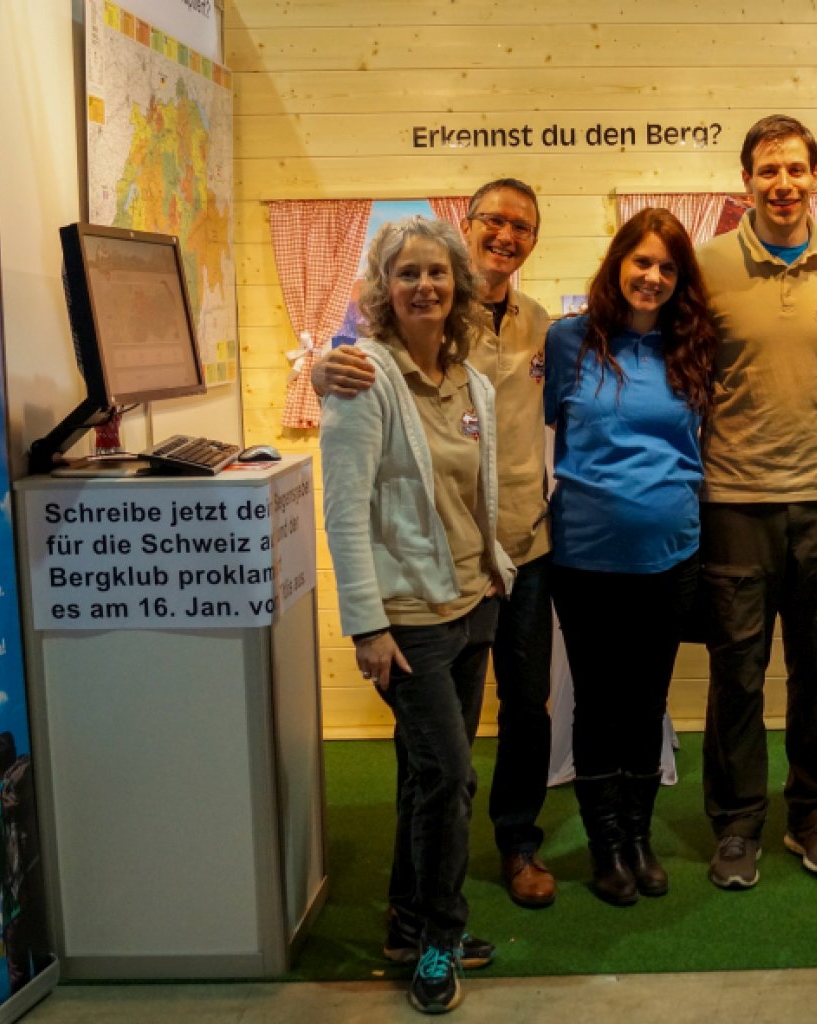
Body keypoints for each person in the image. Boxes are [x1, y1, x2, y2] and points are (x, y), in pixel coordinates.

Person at [315, 181, 558, 911]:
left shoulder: (543, 326)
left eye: (522, 226)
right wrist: (323, 368)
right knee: (436, 757)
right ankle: (425, 904)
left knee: (527, 708)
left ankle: (516, 844)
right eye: (493, 220)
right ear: (468, 225)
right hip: (428, 578)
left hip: (517, 554)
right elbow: (354, 373)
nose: (506, 235)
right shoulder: (412, 336)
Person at [320, 216, 516, 1014]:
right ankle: (439, 937)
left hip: (472, 605)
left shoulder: (471, 384)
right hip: (409, 623)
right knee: (452, 779)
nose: (425, 286)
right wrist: (366, 625)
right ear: (383, 289)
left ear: (459, 287)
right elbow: (344, 510)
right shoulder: (364, 376)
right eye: (407, 274)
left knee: (425, 776)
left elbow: (476, 494)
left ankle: (406, 921)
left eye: (438, 272)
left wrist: (493, 568)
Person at [695, 114, 817, 888]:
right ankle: (737, 826)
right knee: (738, 674)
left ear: (815, 177)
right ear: (746, 181)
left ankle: (816, 818)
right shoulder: (706, 264)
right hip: (735, 502)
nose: (783, 184)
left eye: (796, 169)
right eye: (768, 170)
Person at [543, 208, 717, 905]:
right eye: (642, 261)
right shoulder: (568, 340)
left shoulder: (692, 345)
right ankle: (606, 846)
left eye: (668, 267)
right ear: (618, 262)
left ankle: (640, 839)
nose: (653, 276)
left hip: (671, 556)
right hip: (585, 558)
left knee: (647, 703)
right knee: (597, 704)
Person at [0, 731, 51, 996]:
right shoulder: (32, 783)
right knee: (48, 983)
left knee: (21, 993)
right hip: (41, 900)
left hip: (16, 913)